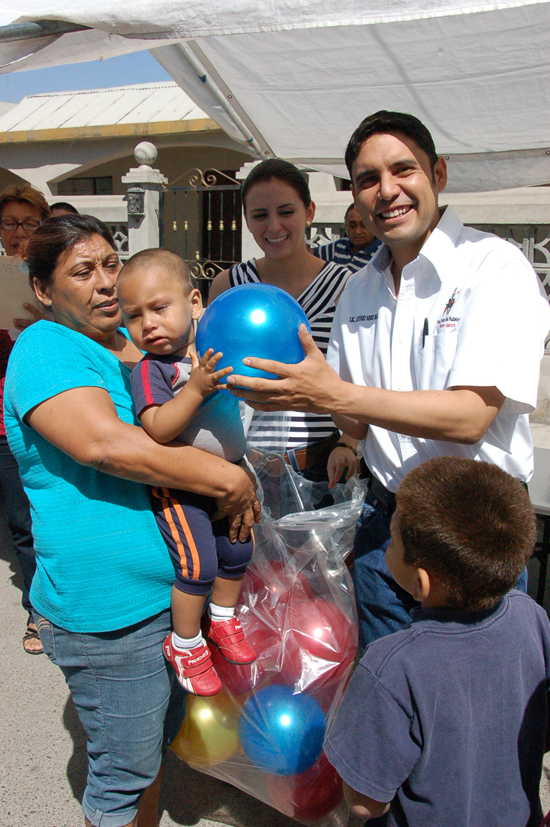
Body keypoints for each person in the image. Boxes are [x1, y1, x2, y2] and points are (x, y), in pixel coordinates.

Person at [224, 110, 550, 650]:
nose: (387, 191)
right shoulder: (361, 290)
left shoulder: (492, 268)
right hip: (385, 521)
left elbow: (470, 417)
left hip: (472, 528)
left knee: (463, 701)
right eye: (368, 180)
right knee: (389, 683)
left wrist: (332, 392)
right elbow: (354, 418)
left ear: (438, 174)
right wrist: (296, 390)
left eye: (404, 170)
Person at [4, 214, 261, 827]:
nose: (105, 283)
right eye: (82, 272)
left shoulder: (133, 347)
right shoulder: (46, 347)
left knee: (147, 759)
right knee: (123, 777)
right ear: (44, 290)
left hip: (166, 600)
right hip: (109, 614)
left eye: (109, 265)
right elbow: (106, 446)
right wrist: (227, 479)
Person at [324, 456, 550, 827]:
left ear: (421, 583)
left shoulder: (392, 665)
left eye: (392, 543)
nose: (388, 549)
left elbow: (366, 803)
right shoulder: (532, 616)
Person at [117, 249, 256, 698]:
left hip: (230, 474)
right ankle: (186, 642)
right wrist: (195, 388)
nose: (149, 324)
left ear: (195, 302)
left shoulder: (215, 349)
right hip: (180, 487)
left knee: (238, 550)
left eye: (159, 308)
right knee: (198, 565)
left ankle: (222, 619)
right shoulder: (150, 370)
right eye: (134, 316)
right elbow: (156, 428)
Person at [209, 158, 357, 487]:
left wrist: (350, 443)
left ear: (310, 212)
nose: (274, 226)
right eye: (260, 215)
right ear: (247, 221)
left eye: (286, 212)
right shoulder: (228, 286)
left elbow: (361, 379)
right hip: (242, 467)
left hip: (322, 469)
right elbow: (210, 375)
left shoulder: (347, 286)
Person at [0, 183, 50, 654]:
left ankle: (52, 610)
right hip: (4, 418)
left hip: (47, 412)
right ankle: (37, 612)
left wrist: (44, 325)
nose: (19, 233)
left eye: (29, 222)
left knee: (44, 516)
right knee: (20, 523)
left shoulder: (57, 278)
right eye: (10, 223)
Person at [313, 202, 381, 272]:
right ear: (346, 226)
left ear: (374, 225)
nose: (358, 231)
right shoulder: (340, 246)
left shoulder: (381, 254)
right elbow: (309, 254)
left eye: (364, 225)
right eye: (352, 226)